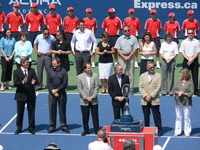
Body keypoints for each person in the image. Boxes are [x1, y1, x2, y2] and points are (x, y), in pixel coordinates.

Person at [13, 57, 38, 134]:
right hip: (21, 95)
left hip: (30, 95)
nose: (28, 63)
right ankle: (19, 127)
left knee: (31, 112)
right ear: (22, 63)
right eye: (27, 62)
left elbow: (36, 80)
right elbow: (15, 84)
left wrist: (35, 82)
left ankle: (31, 127)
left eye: (28, 62)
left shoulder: (32, 70)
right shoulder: (16, 72)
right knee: (20, 112)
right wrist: (23, 82)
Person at [139, 61, 163, 136]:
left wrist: (151, 96)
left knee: (156, 116)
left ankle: (159, 130)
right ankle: (147, 129)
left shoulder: (158, 75)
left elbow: (158, 87)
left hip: (154, 99)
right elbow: (140, 87)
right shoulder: (142, 76)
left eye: (153, 67)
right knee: (146, 116)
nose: (152, 69)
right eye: (150, 67)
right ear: (147, 68)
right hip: (145, 100)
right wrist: (145, 96)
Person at [47, 57, 70, 133]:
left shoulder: (63, 71)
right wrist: (53, 90)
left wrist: (57, 90)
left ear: (59, 63)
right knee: (52, 110)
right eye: (52, 64)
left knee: (62, 110)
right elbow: (48, 82)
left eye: (54, 64)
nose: (53, 65)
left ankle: (63, 125)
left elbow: (64, 83)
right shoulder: (50, 71)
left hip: (62, 93)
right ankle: (52, 126)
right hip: (52, 93)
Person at [115, 25, 139, 94]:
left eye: (128, 30)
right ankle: (122, 88)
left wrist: (129, 56)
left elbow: (135, 49)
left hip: (131, 57)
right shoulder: (120, 39)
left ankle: (131, 88)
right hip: (122, 58)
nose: (127, 32)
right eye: (125, 31)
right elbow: (118, 49)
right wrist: (123, 56)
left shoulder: (134, 38)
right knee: (121, 73)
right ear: (123, 31)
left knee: (131, 73)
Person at [77, 63, 99, 136]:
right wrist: (86, 97)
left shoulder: (95, 76)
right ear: (84, 69)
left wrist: (92, 96)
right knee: (85, 116)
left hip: (94, 100)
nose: (90, 69)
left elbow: (96, 87)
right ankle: (86, 130)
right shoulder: (79, 77)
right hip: (84, 100)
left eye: (90, 68)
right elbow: (80, 89)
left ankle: (97, 130)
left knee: (95, 116)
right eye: (88, 68)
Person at [173, 68, 194, 137]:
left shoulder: (190, 83)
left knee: (187, 118)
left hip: (186, 102)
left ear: (185, 74)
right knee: (178, 117)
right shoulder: (178, 82)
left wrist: (184, 93)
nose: (180, 74)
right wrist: (177, 92)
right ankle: (177, 131)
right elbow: (173, 90)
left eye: (181, 73)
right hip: (178, 101)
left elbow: (191, 93)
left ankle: (187, 132)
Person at [179, 28, 200, 96]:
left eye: (191, 33)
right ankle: (185, 89)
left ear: (193, 33)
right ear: (187, 34)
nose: (190, 34)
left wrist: (192, 59)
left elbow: (198, 51)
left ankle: (196, 90)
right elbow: (182, 51)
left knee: (195, 76)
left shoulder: (197, 41)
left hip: (194, 61)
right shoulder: (184, 42)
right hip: (186, 61)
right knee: (185, 76)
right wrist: (188, 59)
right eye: (189, 33)